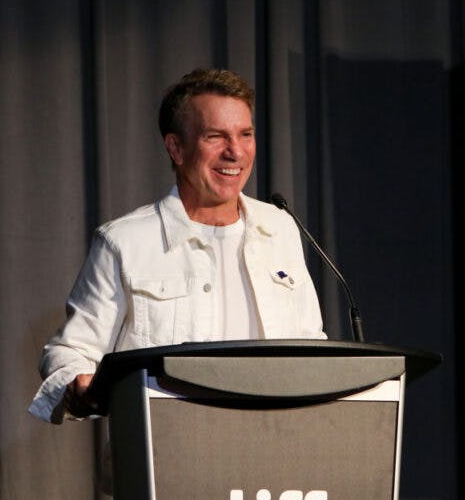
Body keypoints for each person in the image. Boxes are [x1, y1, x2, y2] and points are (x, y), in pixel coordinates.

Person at [29, 68, 325, 423]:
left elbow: (312, 345)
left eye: (245, 134)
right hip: (168, 452)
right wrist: (74, 384)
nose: (235, 152)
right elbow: (70, 351)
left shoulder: (279, 227)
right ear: (176, 148)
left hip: (274, 450)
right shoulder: (125, 241)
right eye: (216, 136)